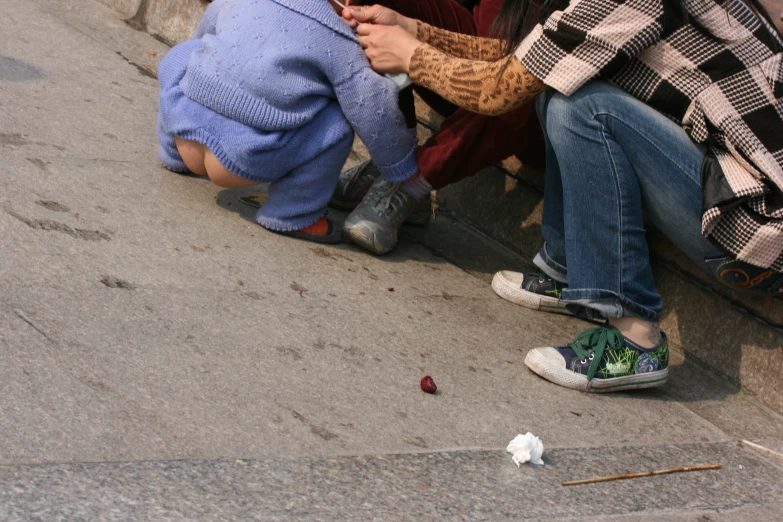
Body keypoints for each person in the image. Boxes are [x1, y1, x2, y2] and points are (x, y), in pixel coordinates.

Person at [342, 0, 783, 392]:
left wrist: (413, 58)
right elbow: (526, 59)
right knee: (560, 86)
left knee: (583, 107)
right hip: (731, 195)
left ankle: (635, 340)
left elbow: (498, 89)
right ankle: (572, 268)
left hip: (756, 229)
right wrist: (412, 29)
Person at [156, 0, 426, 243]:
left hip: (185, 129)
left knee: (190, 54)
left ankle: (172, 154)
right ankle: (293, 213)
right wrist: (401, 166)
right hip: (244, 160)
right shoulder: (341, 40)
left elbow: (207, 29)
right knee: (340, 119)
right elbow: (374, 111)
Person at [332, 0, 546, 255]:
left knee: (532, 75)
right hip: (479, 48)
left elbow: (524, 65)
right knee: (371, 6)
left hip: (539, 112)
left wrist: (415, 51)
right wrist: (410, 28)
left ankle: (413, 183)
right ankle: (396, 159)